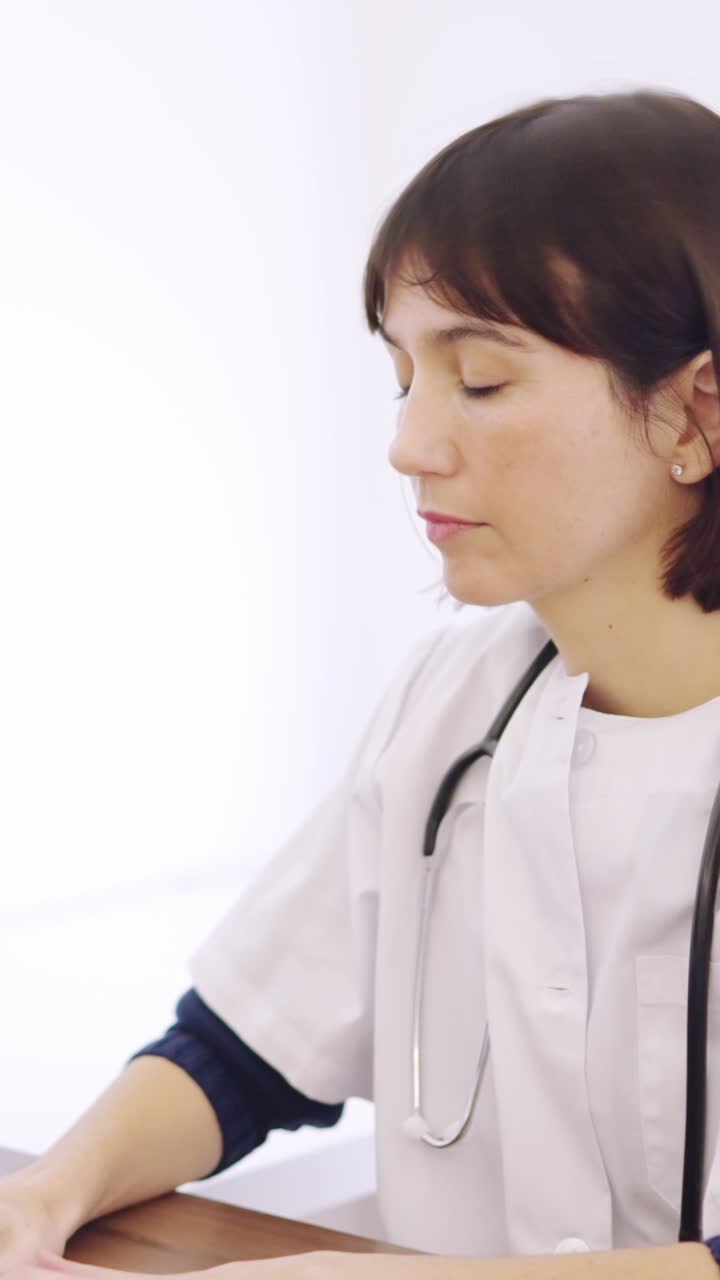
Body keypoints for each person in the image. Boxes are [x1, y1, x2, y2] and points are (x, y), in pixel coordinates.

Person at [4, 85, 720, 1279]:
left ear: (697, 411)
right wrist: (44, 1192)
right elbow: (246, 1047)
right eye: (403, 376)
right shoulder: (454, 701)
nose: (409, 443)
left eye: (479, 380)